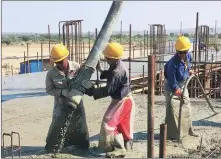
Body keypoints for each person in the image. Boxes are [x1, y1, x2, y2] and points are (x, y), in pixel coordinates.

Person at [85, 42, 135, 158]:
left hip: (121, 101)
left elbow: (109, 90)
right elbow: (111, 73)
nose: (106, 59)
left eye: (107, 57)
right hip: (125, 99)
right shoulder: (118, 64)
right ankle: (126, 147)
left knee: (109, 123)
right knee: (122, 125)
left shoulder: (117, 72)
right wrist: (101, 70)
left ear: (112, 58)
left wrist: (91, 91)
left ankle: (119, 149)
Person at [45, 44, 89, 153]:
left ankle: (82, 146)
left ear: (66, 57)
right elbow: (49, 90)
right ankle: (52, 147)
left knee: (80, 125)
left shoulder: (76, 67)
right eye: (57, 62)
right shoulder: (51, 74)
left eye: (61, 61)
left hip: (77, 103)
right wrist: (62, 92)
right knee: (57, 125)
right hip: (60, 104)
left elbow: (82, 83)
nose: (59, 64)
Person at [164, 36, 199, 141]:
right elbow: (171, 79)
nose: (181, 54)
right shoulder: (172, 63)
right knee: (172, 108)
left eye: (183, 52)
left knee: (186, 105)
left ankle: (189, 129)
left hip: (183, 83)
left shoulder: (189, 57)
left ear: (186, 51)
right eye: (180, 52)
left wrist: (189, 72)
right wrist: (176, 89)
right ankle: (173, 134)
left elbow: (187, 68)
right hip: (171, 85)